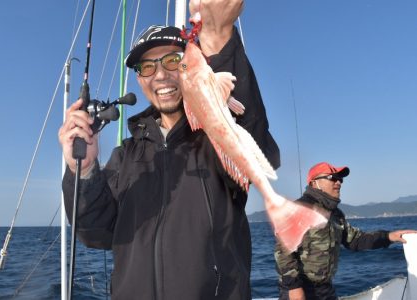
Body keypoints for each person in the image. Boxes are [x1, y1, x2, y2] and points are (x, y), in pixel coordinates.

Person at [58, 0, 280, 299]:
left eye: (173, 61)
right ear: (139, 79)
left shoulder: (213, 141)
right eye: (147, 66)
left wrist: (218, 37)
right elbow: (96, 233)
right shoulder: (124, 157)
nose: (160, 75)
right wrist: (82, 171)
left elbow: (252, 138)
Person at [274, 161, 417, 300]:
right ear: (314, 183)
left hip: (325, 289)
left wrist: (389, 236)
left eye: (340, 179)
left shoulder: (335, 215)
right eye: (333, 178)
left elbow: (355, 240)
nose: (339, 182)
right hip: (300, 290)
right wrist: (294, 289)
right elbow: (283, 253)